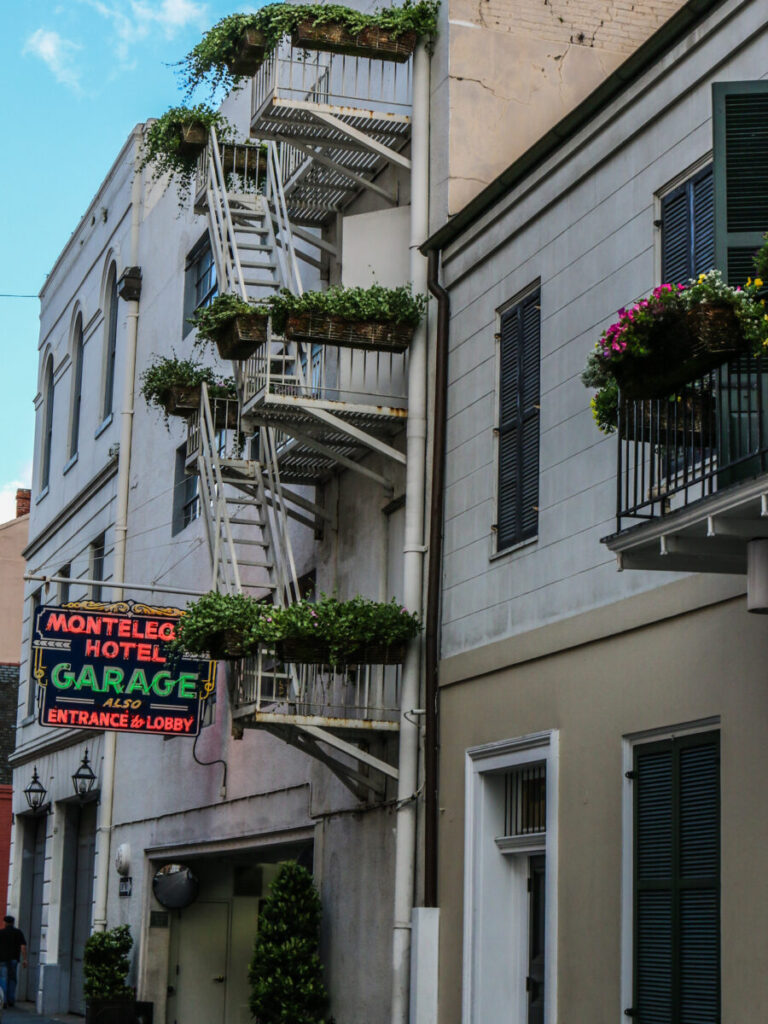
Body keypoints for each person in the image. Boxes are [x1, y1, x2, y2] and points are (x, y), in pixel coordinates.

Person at [0, 915, 27, 1008]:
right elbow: (23, 947)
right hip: (14, 959)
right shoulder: (18, 933)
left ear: (5, 922)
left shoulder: (1, 933)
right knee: (12, 979)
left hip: (2, 959)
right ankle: (11, 1000)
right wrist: (25, 959)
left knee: (3, 979)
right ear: (13, 923)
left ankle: (4, 1001)